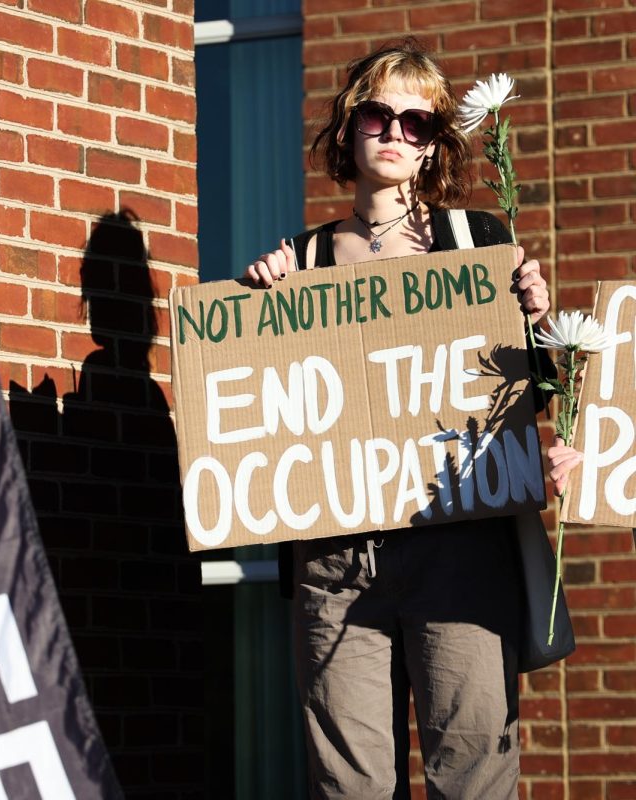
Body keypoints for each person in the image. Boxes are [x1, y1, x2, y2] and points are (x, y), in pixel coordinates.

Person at [242, 39, 551, 799]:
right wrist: (256, 311)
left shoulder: (475, 245)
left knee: (473, 774)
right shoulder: (303, 261)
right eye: (378, 114)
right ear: (349, 127)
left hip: (459, 546)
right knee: (348, 785)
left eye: (416, 122)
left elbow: (529, 394)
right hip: (336, 558)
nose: (393, 133)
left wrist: (537, 328)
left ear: (435, 143)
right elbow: (264, 407)